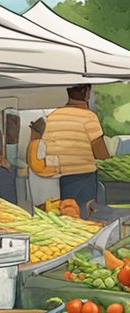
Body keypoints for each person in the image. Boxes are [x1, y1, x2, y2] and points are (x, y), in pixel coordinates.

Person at [35, 84, 109, 216]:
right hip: (83, 177)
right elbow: (101, 154)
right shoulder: (89, 117)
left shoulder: (52, 116)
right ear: (86, 92)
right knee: (84, 217)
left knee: (64, 216)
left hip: (56, 178)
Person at [26, 117, 62, 207]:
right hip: (46, 183)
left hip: (44, 184)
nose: (31, 134)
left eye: (33, 131)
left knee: (45, 207)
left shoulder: (39, 144)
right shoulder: (43, 144)